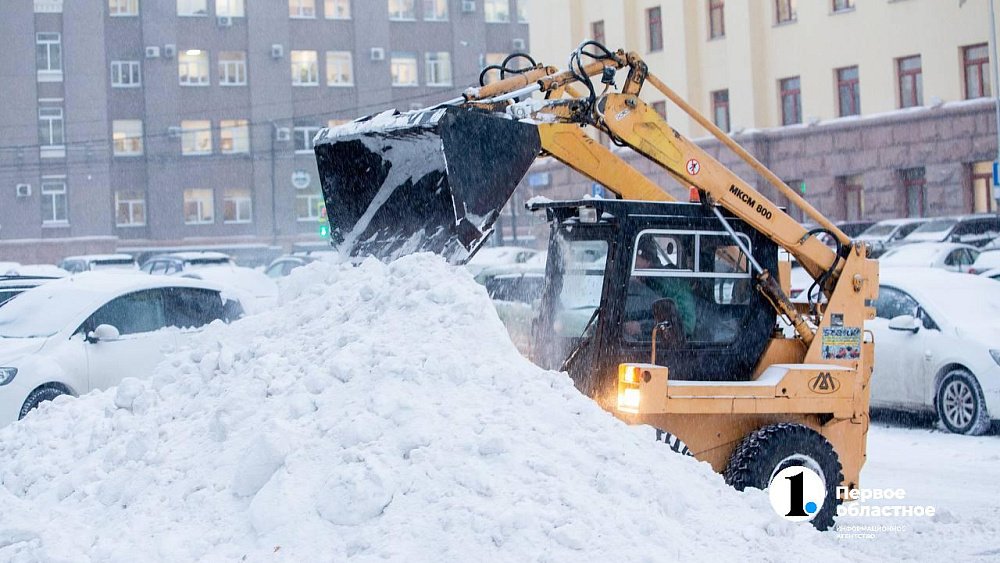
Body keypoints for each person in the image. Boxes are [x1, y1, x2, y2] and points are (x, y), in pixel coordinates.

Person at [623, 239, 697, 342]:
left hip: (677, 343)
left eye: (635, 259)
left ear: (647, 260)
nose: (632, 264)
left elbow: (683, 323)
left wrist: (642, 327)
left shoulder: (662, 282)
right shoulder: (649, 280)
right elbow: (646, 311)